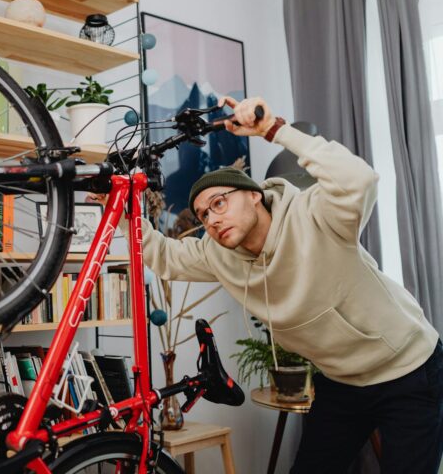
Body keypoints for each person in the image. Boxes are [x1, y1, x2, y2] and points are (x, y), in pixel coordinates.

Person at [106, 96, 443, 473]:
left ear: (254, 195)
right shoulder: (219, 254)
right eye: (203, 214)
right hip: (341, 381)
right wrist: (122, 214)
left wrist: (274, 130)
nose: (212, 219)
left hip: (407, 369)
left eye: (219, 203)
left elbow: (359, 179)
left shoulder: (316, 215)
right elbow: (166, 257)